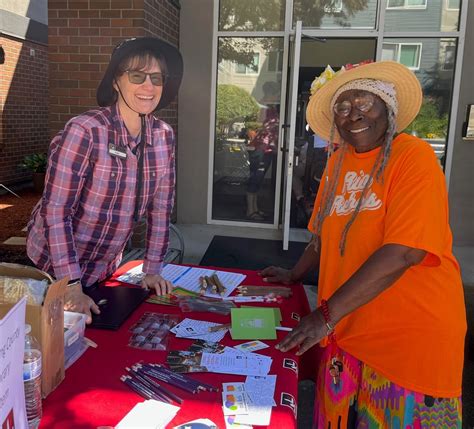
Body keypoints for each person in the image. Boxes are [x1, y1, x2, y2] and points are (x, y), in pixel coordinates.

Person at [261, 61, 466, 427]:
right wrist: (294, 274)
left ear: (387, 108)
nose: (353, 114)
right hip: (346, 329)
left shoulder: (414, 158)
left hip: (406, 341)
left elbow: (405, 251)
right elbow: (322, 235)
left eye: (365, 103)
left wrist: (324, 316)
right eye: (343, 107)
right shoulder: (338, 161)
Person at [27, 37, 183, 323]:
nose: (148, 87)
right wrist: (70, 285)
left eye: (157, 78)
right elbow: (56, 211)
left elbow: (160, 210)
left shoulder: (163, 136)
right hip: (52, 269)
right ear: (115, 81)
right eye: (137, 76)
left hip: (103, 268)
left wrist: (152, 270)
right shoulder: (85, 131)